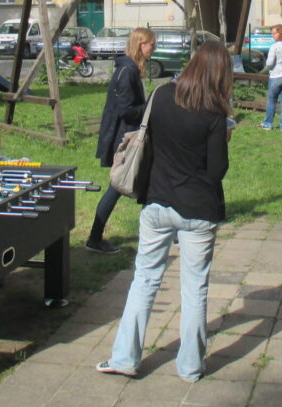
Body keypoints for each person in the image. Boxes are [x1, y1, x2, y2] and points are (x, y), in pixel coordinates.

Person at [96, 39, 232, 383]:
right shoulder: (215, 113)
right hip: (198, 209)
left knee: (144, 279)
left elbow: (150, 144)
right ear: (220, 74)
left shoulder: (160, 96)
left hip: (158, 201)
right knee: (194, 287)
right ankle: (189, 367)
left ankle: (124, 358)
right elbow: (216, 171)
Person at [88, 27, 156, 254]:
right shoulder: (127, 71)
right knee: (118, 186)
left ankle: (163, 232)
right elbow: (126, 110)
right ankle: (95, 238)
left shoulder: (130, 68)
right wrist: (148, 108)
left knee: (145, 183)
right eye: (151, 45)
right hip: (126, 136)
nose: (152, 50)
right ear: (140, 45)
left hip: (130, 133)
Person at [259, 23, 282, 131]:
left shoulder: (274, 46)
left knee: (272, 100)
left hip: (277, 76)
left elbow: (270, 63)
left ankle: (267, 124)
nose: (272, 35)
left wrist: (262, 71)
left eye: (274, 33)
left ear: (280, 33)